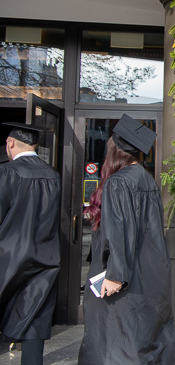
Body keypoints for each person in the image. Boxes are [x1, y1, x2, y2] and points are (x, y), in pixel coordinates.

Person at [78, 115, 175, 365]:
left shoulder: (118, 182)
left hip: (126, 280)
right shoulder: (145, 178)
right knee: (147, 339)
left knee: (119, 343)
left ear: (113, 149)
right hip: (150, 276)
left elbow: (120, 231)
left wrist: (115, 275)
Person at [0, 122, 61, 365]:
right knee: (35, 317)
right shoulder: (53, 174)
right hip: (45, 258)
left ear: (10, 143)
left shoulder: (8, 172)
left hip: (8, 257)